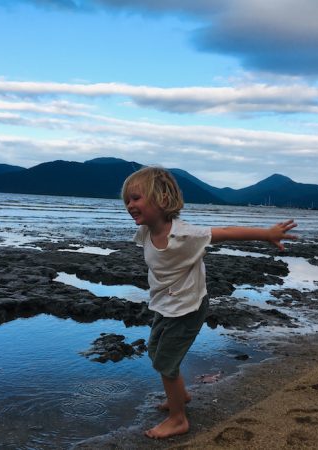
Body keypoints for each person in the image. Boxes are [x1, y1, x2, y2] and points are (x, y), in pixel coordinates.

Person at [121, 166, 297, 439]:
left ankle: (178, 419)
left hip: (188, 308)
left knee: (166, 361)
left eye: (136, 198)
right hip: (165, 305)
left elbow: (225, 231)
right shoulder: (145, 232)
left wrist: (267, 234)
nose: (130, 205)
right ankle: (179, 395)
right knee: (157, 352)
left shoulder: (185, 235)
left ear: (163, 200)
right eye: (127, 200)